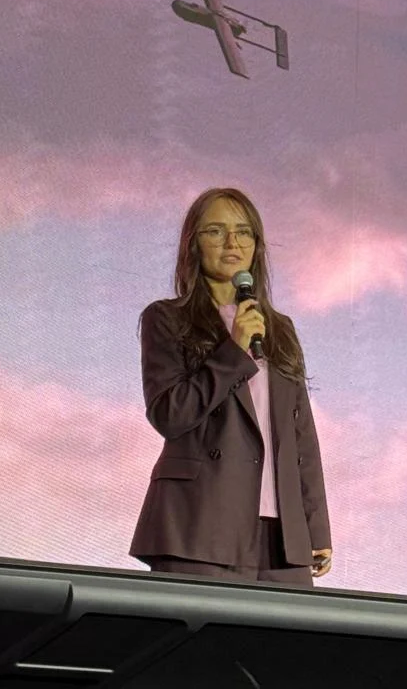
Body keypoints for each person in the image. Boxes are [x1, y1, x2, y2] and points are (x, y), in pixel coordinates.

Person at [129, 187, 332, 585]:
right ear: (193, 245)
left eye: (243, 232)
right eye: (216, 231)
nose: (232, 242)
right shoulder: (166, 319)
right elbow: (170, 413)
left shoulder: (280, 329)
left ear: (256, 246)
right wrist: (233, 351)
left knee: (285, 645)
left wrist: (315, 524)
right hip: (200, 525)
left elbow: (300, 435)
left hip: (281, 537)